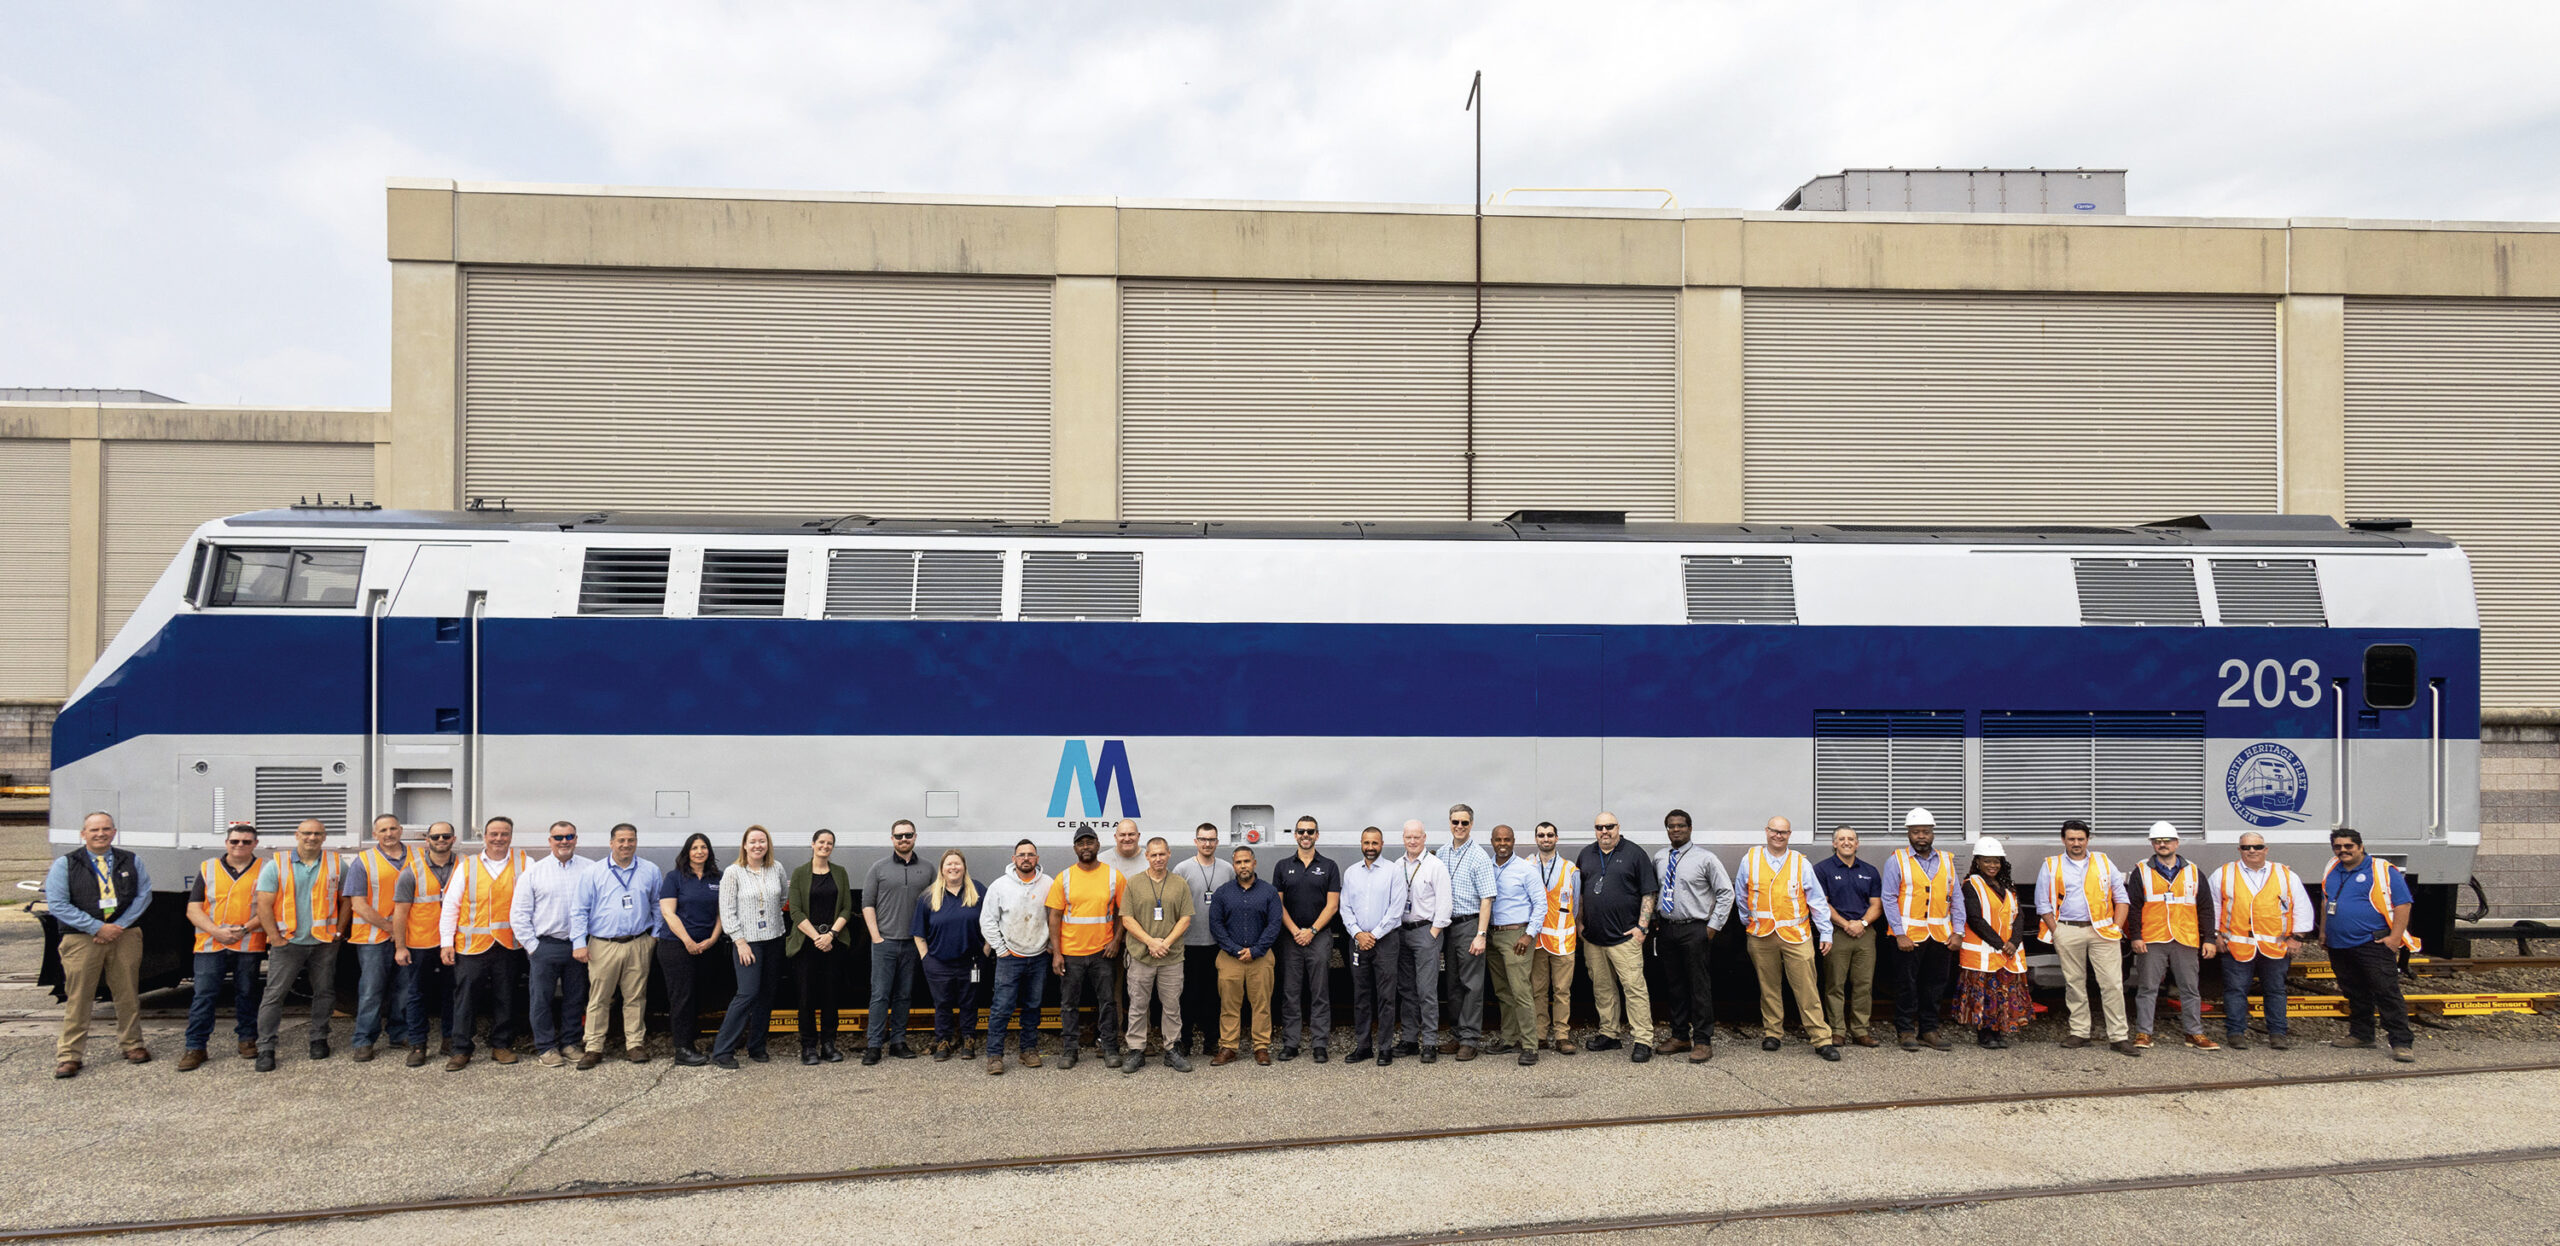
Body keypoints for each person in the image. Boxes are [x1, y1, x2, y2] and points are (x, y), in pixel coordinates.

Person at [46, 811, 151, 1078]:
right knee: (79, 997)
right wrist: (97, 927)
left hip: (123, 935)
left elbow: (143, 896)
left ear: (114, 832)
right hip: (81, 939)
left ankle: (133, 1044)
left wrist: (118, 928)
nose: (100, 834)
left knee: (127, 993)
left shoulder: (132, 860)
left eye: (106, 829)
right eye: (94, 830)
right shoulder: (65, 864)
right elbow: (57, 903)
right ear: (84, 834)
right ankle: (70, 1055)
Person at [1736, 815, 1839, 1061]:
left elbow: (1816, 900)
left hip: (1796, 936)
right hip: (1761, 936)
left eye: (1783, 832)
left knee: (1807, 988)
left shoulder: (1800, 862)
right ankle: (1773, 1033)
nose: (1778, 836)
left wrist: (1825, 931)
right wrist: (1748, 921)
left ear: (1789, 835)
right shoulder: (1750, 859)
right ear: (1766, 831)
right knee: (1768, 987)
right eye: (1774, 831)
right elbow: (1741, 893)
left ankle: (1821, 1039)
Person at [2035, 819, 2138, 1057]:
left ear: (2087, 840)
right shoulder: (2051, 865)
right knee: (2074, 983)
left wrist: (2117, 927)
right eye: (2071, 839)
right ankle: (2080, 1032)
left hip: (2103, 931)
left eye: (2080, 839)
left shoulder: (2103, 861)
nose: (2076, 843)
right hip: (2068, 929)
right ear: (2063, 840)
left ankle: (2118, 1037)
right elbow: (2043, 903)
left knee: (2112, 983)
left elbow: (2121, 896)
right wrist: (2057, 931)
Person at [253, 817, 345, 1072]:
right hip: (288, 942)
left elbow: (346, 899)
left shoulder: (336, 863)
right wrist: (274, 937)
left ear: (324, 837)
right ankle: (266, 1048)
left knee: (324, 992)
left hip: (323, 942)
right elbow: (264, 905)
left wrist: (338, 931)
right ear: (297, 835)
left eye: (317, 833)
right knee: (274, 995)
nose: (312, 838)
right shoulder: (277, 864)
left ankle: (318, 1039)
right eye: (307, 833)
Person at [440, 816, 530, 1071]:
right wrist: (446, 942)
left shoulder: (525, 863)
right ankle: (460, 1049)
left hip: (509, 945)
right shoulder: (467, 866)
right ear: (485, 837)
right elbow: (451, 905)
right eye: (494, 834)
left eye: (504, 834)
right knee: (465, 998)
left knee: (507, 996)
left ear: (511, 836)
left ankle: (501, 1045)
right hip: (471, 946)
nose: (499, 838)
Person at [2209, 831, 2312, 1050]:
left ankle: (2277, 1034)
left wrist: (2297, 937)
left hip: (2276, 946)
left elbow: (2301, 906)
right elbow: (2214, 906)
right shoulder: (2224, 874)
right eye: (2246, 847)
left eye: (2256, 847)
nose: (2252, 851)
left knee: (2275, 990)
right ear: (2239, 850)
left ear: (2266, 849)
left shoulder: (2286, 875)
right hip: (2236, 945)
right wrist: (2215, 935)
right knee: (2235, 990)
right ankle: (2235, 1033)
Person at [2321, 828, 2417, 1062]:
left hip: (2372, 942)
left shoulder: (2382, 870)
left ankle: (2401, 1042)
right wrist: (2323, 931)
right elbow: (2326, 900)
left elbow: (2403, 904)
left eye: (2348, 846)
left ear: (2360, 846)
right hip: (2339, 944)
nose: (2343, 850)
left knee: (2386, 992)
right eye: (2338, 847)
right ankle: (2362, 1035)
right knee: (2354, 992)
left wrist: (2395, 939)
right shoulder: (2332, 868)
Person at [574, 822, 662, 1067]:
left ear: (636, 842)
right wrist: (578, 943)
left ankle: (634, 1044)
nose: (626, 845)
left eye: (631, 840)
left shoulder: (650, 870)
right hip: (603, 945)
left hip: (638, 942)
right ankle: (593, 1047)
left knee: (635, 996)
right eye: (621, 840)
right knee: (599, 998)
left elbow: (657, 904)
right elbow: (579, 910)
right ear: (611, 842)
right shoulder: (594, 872)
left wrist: (654, 934)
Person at [180, 822, 266, 1071]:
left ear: (255, 844)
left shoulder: (265, 868)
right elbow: (193, 908)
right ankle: (195, 1047)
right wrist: (217, 931)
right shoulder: (208, 868)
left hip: (248, 941)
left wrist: (244, 929)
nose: (240, 845)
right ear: (226, 843)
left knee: (247, 993)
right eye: (235, 841)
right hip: (210, 942)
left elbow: (268, 908)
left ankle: (247, 1039)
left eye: (246, 842)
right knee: (204, 995)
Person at [1650, 808, 1733, 1063]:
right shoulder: (1660, 857)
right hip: (1667, 928)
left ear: (1690, 828)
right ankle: (1679, 1036)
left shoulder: (1705, 859)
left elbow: (1726, 892)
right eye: (1671, 826)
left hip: (1695, 928)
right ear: (1667, 830)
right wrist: (1654, 919)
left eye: (1681, 826)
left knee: (1699, 986)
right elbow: (1655, 891)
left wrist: (1712, 927)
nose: (1676, 830)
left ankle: (1703, 1040)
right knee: (1674, 985)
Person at [2128, 822, 2219, 1051]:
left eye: (2167, 840)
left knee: (2190, 988)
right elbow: (2134, 907)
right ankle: (2143, 1033)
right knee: (2147, 988)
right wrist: (2136, 936)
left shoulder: (2194, 871)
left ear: (2176, 843)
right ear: (2152, 844)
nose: (2162, 844)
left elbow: (2206, 907)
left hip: (2185, 938)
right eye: (2158, 841)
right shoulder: (2141, 870)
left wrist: (2209, 938)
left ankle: (2194, 1033)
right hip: (2153, 938)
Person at [1879, 808, 1963, 1053]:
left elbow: (1956, 897)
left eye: (1925, 831)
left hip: (1940, 936)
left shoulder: (1947, 860)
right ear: (1909, 834)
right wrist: (1899, 932)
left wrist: (1958, 932)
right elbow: (1889, 897)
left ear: (1932, 833)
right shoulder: (1897, 859)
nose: (1921, 836)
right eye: (1916, 832)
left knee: (1936, 985)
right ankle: (1905, 1030)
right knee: (1906, 985)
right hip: (1909, 936)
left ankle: (1929, 1030)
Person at [1576, 812, 1657, 1061]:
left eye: (1609, 826)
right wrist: (1580, 923)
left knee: (1634, 989)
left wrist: (1641, 928)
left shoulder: (1634, 854)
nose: (1605, 831)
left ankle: (1643, 1039)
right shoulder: (1587, 854)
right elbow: (1580, 892)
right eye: (1599, 827)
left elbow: (1649, 892)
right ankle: (1609, 1034)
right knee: (1602, 989)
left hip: (1625, 938)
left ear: (1618, 827)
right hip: (1593, 938)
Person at [515, 820, 595, 1066]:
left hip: (579, 945)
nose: (564, 842)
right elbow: (519, 913)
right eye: (558, 837)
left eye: (569, 836)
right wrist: (533, 946)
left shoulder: (590, 869)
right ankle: (546, 1047)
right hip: (545, 946)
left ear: (576, 839)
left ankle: (570, 1043)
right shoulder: (534, 872)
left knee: (575, 997)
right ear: (549, 841)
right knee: (541, 999)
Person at [1047, 826, 1128, 1069]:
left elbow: (1124, 913)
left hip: (1102, 952)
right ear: (1075, 848)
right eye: (1081, 843)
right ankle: (1070, 1050)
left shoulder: (1114, 876)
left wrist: (1115, 941)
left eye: (1090, 842)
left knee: (1108, 1002)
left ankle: (1110, 1048)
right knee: (1069, 1004)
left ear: (1097, 845)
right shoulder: (1065, 877)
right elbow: (1054, 917)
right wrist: (1057, 953)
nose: (1085, 847)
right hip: (1071, 954)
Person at [711, 826, 788, 1069]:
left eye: (762, 841)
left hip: (774, 939)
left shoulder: (776, 868)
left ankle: (757, 1046)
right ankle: (722, 1050)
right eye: (752, 841)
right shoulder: (734, 873)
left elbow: (782, 898)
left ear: (768, 845)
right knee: (747, 993)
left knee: (766, 994)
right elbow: (727, 909)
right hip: (748, 942)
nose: (757, 846)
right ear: (744, 845)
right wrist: (740, 941)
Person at [1121, 836, 1197, 1073]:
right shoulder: (1134, 883)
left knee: (1172, 1005)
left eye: (1162, 854)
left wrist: (1165, 943)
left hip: (1171, 957)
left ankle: (1172, 1048)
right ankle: (1136, 1050)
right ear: (1146, 856)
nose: (1158, 859)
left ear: (1169, 854)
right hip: (1141, 956)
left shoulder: (1179, 884)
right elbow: (1127, 918)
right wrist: (1150, 942)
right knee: (1138, 1004)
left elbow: (1185, 918)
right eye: (1153, 855)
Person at [980, 839, 1052, 1074]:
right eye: (1021, 855)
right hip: (1009, 957)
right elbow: (987, 920)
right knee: (1002, 1007)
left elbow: (1056, 917)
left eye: (1031, 854)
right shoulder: (1000, 886)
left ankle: (1028, 1050)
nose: (1026, 858)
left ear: (1037, 859)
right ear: (1014, 859)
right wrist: (1001, 949)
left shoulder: (1048, 884)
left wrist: (1050, 944)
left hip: (1039, 955)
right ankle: (994, 1055)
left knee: (1033, 1006)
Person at [862, 820, 932, 1064]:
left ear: (915, 837)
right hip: (885, 943)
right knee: (880, 995)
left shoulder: (928, 868)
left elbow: (933, 905)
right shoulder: (878, 868)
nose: (904, 839)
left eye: (908, 835)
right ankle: (873, 1045)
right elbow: (867, 904)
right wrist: (876, 938)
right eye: (899, 835)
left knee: (904, 995)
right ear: (892, 839)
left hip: (913, 943)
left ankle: (898, 1042)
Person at [390, 821, 460, 1067]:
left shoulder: (466, 867)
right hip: (421, 944)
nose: (441, 840)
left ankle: (450, 1040)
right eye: (435, 836)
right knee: (417, 994)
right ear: (426, 840)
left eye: (445, 836)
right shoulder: (411, 871)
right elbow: (400, 912)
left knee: (453, 993)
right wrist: (400, 946)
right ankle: (418, 1045)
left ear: (453, 839)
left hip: (454, 942)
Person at [1272, 814, 1341, 1062]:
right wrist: (1295, 932)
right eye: (1301, 831)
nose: (1305, 836)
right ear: (1295, 835)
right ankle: (1291, 1043)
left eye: (1310, 832)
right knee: (1290, 991)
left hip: (1319, 937)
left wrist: (1311, 931)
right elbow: (1277, 905)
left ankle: (1319, 1044)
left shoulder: (1330, 866)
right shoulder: (1282, 866)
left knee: (1319, 991)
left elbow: (1332, 905)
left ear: (1317, 835)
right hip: (1291, 938)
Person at [342, 813, 410, 1063]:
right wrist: (392, 927)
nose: (389, 834)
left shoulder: (417, 857)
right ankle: (364, 1040)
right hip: (372, 938)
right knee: (371, 990)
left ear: (401, 830)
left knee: (405, 989)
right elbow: (357, 904)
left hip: (409, 938)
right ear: (375, 835)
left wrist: (400, 931)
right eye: (383, 830)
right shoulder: (363, 862)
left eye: (393, 828)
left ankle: (399, 1034)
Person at [1952, 838, 2031, 1048]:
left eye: (1996, 861)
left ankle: (1998, 1032)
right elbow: (1975, 918)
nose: (1992, 865)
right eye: (1987, 861)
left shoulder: (2008, 886)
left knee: (2002, 993)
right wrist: (2000, 943)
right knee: (1985, 994)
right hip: (1985, 951)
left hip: (2006, 950)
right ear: (1977, 862)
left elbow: (2019, 915)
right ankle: (1985, 1034)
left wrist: (2013, 941)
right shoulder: (1971, 886)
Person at [1340, 826, 1408, 1066]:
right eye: (1366, 843)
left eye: (1375, 843)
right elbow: (1345, 907)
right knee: (1361, 995)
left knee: (1387, 996)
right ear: (1361, 843)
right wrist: (1358, 933)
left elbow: (1396, 910)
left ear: (1382, 844)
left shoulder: (1394, 871)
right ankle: (1364, 1046)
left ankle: (1386, 1048)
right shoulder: (1351, 873)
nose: (1370, 848)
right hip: (1358, 941)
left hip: (1386, 941)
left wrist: (1374, 935)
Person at [1433, 804, 1497, 1060]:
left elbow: (1487, 899)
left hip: (1470, 925)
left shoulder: (1479, 857)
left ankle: (1470, 1040)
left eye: (1465, 823)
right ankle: (1457, 1035)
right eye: (1455, 822)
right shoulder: (1442, 853)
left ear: (1471, 825)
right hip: (1448, 926)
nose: (1459, 827)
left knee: (1472, 985)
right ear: (1449, 823)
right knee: (1453, 984)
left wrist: (1481, 934)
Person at [786, 829, 854, 1064]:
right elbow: (795, 911)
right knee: (806, 997)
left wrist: (831, 935)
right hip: (806, 943)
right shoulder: (799, 873)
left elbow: (846, 907)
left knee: (830, 996)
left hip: (833, 944)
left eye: (830, 843)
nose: (825, 846)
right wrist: (817, 937)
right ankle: (808, 1047)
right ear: (813, 844)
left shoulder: (840, 873)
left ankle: (828, 1044)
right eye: (821, 842)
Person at [1211, 845, 1284, 1065]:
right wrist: (1234, 949)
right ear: (1233, 865)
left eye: (1246, 861)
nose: (1243, 866)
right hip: (1230, 958)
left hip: (1260, 958)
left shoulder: (1269, 892)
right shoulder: (1223, 892)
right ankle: (1228, 1047)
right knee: (1229, 1005)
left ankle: (1261, 1047)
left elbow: (1274, 924)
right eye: (1238, 862)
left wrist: (1257, 950)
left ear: (1254, 863)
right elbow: (1216, 924)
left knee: (1261, 1004)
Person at [656, 832, 724, 1066]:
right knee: (682, 997)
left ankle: (691, 1039)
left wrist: (713, 939)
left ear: (709, 852)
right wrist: (687, 941)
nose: (699, 851)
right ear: (687, 852)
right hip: (676, 946)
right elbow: (668, 912)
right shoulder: (674, 878)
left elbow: (722, 913)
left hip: (706, 946)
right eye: (694, 848)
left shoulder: (718, 878)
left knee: (699, 994)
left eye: (703, 847)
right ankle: (682, 1049)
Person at [1813, 825, 1884, 1049]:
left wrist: (1861, 923)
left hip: (1865, 933)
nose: (1846, 842)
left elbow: (1876, 904)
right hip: (1837, 932)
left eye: (1851, 839)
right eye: (1841, 839)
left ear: (1857, 844)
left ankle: (1860, 1030)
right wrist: (1846, 924)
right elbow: (1822, 903)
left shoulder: (1870, 870)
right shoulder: (1822, 869)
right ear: (1834, 844)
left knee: (1863, 984)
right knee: (1835, 984)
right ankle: (1837, 1031)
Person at [913, 848, 986, 1061]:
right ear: (942, 869)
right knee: (942, 1004)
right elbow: (919, 933)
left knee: (969, 1003)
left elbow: (992, 922)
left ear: (964, 867)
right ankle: (943, 1041)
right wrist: (926, 959)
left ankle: (968, 1040)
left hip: (971, 962)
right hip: (938, 963)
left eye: (957, 864)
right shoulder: (929, 896)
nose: (953, 867)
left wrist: (985, 950)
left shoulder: (978, 891)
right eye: (949, 864)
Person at [1484, 824, 1548, 1065]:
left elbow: (1540, 904)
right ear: (1492, 841)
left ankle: (1530, 1046)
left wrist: (1528, 935)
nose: (1503, 844)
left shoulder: (1526, 869)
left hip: (1516, 936)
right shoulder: (1486, 867)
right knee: (1503, 991)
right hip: (1492, 935)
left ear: (1513, 841)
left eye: (1507, 840)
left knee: (1521, 991)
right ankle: (1510, 1040)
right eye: (1498, 839)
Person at [1172, 823, 1235, 1060]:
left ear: (1217, 842)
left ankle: (1211, 1041)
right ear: (1195, 841)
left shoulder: (1227, 869)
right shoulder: (1182, 868)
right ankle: (1185, 1041)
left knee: (1214, 995)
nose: (1207, 844)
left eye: (1212, 839)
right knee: (1188, 995)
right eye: (1203, 839)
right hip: (1188, 942)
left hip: (1217, 944)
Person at [1393, 820, 1452, 1060]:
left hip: (1425, 932)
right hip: (1401, 932)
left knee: (1426, 990)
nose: (1413, 841)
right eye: (1409, 837)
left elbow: (1445, 903)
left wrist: (1433, 934)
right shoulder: (1397, 865)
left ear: (1425, 838)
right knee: (1406, 990)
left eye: (1417, 837)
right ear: (1403, 838)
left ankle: (1429, 1042)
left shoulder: (1435, 866)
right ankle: (1409, 1039)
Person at [1529, 822, 1579, 1053]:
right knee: (1537, 989)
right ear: (1536, 839)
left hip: (1563, 940)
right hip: (1537, 940)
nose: (1545, 838)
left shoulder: (1571, 869)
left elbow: (1577, 906)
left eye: (1550, 835)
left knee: (1562, 991)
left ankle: (1561, 1036)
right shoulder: (1528, 865)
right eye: (1541, 835)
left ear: (1557, 838)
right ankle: (1539, 1034)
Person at [1106, 818, 1148, 1052]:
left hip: (1141, 938)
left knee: (1140, 991)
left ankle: (1140, 1040)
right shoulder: (1103, 860)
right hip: (1111, 939)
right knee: (1112, 991)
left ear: (1138, 836)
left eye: (1131, 834)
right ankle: (1112, 1038)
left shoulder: (1149, 859)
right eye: (1122, 835)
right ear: (1115, 837)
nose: (1127, 838)